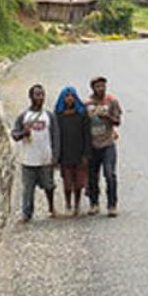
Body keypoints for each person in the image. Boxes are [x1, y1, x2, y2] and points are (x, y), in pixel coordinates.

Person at [11, 84, 59, 223]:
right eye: (37, 94)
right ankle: (27, 214)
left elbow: (55, 136)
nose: (40, 97)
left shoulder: (49, 116)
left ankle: (51, 207)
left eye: (42, 94)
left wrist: (55, 156)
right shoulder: (24, 116)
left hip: (45, 159)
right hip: (28, 160)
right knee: (28, 189)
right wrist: (23, 133)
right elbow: (14, 134)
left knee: (49, 185)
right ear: (30, 97)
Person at [86, 75, 123, 216]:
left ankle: (112, 205)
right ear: (93, 88)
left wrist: (108, 117)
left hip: (107, 143)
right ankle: (94, 203)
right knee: (92, 176)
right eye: (97, 86)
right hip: (92, 144)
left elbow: (118, 121)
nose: (101, 89)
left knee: (110, 174)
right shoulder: (87, 103)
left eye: (103, 86)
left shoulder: (112, 101)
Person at [52, 86, 90, 217]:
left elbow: (87, 135)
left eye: (72, 96)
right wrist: (56, 156)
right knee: (67, 182)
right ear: (62, 98)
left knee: (79, 183)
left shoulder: (82, 114)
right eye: (67, 96)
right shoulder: (58, 115)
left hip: (79, 153)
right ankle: (68, 203)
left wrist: (86, 154)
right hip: (65, 154)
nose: (69, 99)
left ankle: (77, 204)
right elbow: (55, 136)